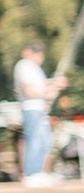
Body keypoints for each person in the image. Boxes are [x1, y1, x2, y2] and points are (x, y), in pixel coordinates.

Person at [17, 43, 68, 184]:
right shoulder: (24, 65)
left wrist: (55, 83)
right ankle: (31, 174)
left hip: (39, 109)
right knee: (36, 140)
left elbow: (40, 84)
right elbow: (29, 90)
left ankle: (38, 173)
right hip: (32, 109)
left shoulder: (33, 68)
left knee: (45, 141)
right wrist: (46, 94)